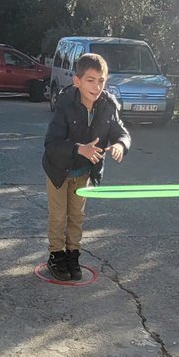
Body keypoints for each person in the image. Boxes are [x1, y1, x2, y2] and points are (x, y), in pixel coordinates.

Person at [42, 52, 131, 281]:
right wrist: (79, 148)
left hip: (83, 173)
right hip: (59, 171)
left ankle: (72, 255)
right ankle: (56, 255)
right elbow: (51, 144)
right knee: (59, 217)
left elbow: (121, 132)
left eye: (101, 80)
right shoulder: (65, 105)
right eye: (90, 80)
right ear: (77, 81)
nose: (97, 86)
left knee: (76, 217)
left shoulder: (108, 106)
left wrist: (121, 144)